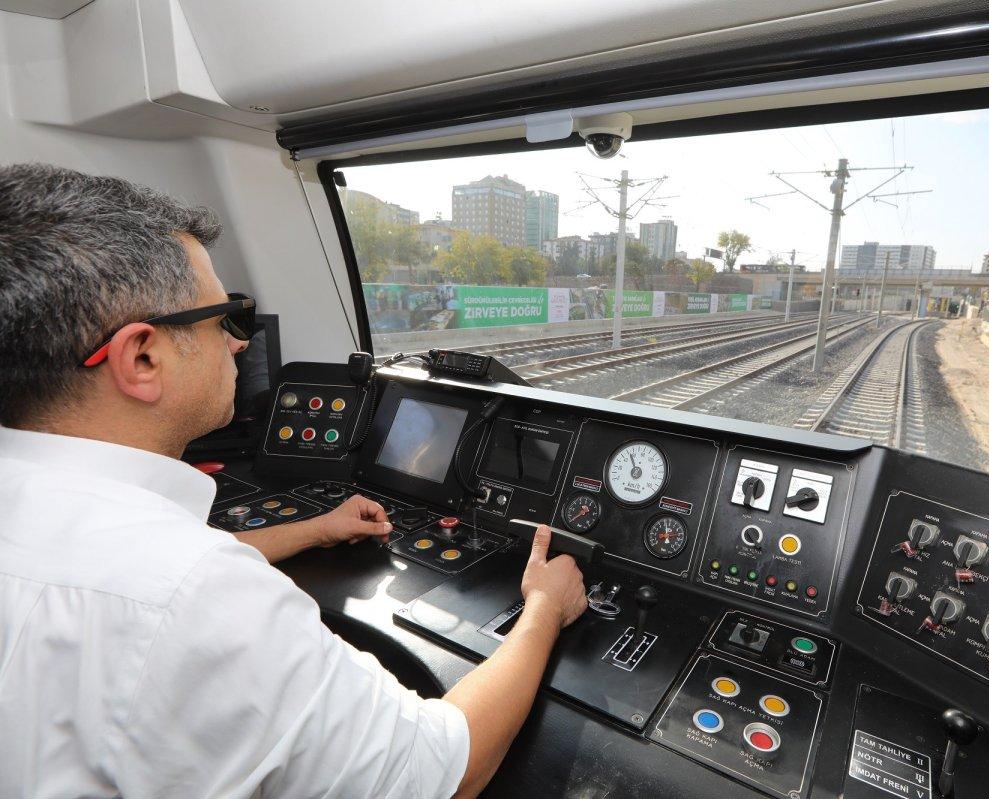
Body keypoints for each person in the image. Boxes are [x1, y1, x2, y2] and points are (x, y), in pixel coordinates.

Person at [0, 163, 588, 798]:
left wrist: (314, 529)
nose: (239, 345)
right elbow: (448, 768)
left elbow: (121, 577)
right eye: (225, 318)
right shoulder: (197, 597)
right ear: (142, 357)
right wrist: (544, 610)